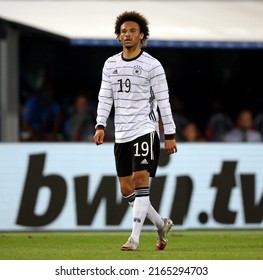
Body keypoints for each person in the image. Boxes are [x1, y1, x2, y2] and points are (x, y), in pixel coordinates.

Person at [93, 11, 177, 251]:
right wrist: (100, 125)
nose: (127, 34)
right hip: (121, 132)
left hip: (145, 128)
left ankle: (134, 238)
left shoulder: (152, 65)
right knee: (126, 189)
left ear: (141, 35)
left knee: (141, 181)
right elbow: (104, 97)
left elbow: (163, 101)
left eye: (132, 31)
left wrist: (169, 134)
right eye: (123, 31)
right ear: (118, 37)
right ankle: (161, 223)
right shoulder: (110, 64)